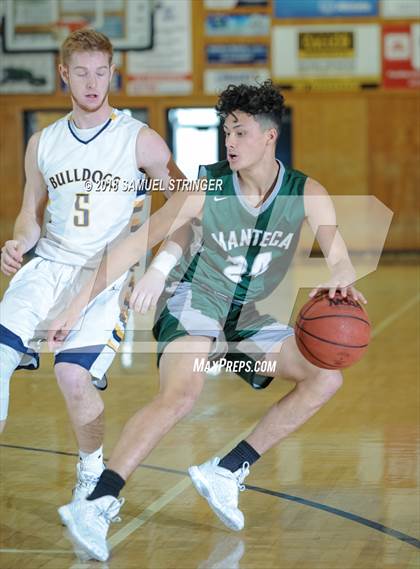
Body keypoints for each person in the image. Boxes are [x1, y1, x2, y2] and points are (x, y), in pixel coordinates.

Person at [48, 81, 367, 562]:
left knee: (326, 378)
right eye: (225, 132)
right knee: (182, 393)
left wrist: (341, 281)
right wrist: (78, 304)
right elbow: (139, 242)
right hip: (195, 301)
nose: (230, 142)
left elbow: (340, 257)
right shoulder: (208, 186)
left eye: (239, 132)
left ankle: (227, 470)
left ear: (268, 137)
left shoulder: (306, 191)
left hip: (250, 321)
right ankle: (98, 502)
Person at [0, 28, 185, 501]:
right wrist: (18, 242)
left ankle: (90, 466)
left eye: (100, 72)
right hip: (47, 266)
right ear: (64, 73)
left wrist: (161, 267)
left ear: (111, 73)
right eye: (81, 72)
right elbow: (30, 212)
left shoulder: (140, 141)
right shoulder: (42, 142)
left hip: (104, 276)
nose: (91, 82)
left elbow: (186, 206)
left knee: (72, 376)